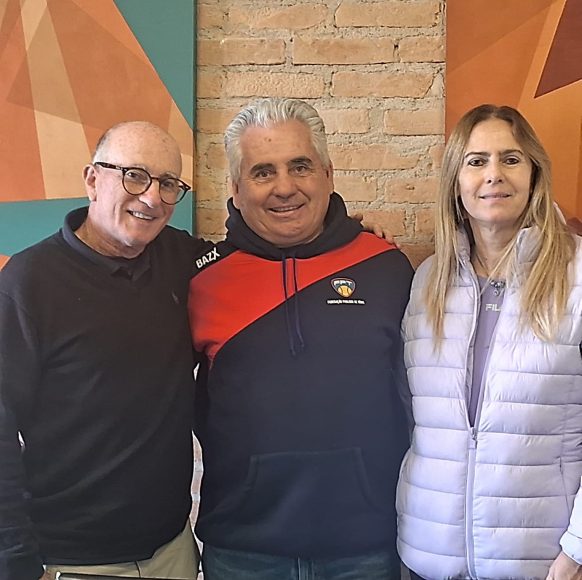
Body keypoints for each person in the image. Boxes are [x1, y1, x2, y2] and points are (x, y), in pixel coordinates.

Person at [188, 97, 414, 580]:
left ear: (328, 175)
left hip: (367, 548)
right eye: (262, 172)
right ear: (235, 188)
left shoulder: (386, 267)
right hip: (242, 552)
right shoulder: (200, 280)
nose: (285, 187)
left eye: (300, 166)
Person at [0, 121, 207, 580]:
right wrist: (15, 561)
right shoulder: (28, 283)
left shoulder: (180, 258)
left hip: (172, 550)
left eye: (168, 184)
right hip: (71, 561)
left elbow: (252, 251)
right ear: (93, 180)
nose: (152, 198)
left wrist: (343, 230)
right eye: (135, 176)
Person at [396, 104, 582, 579]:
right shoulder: (427, 282)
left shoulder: (577, 275)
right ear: (455, 182)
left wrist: (577, 551)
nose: (494, 174)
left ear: (534, 173)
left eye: (511, 159)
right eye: (476, 161)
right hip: (429, 556)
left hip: (543, 563)